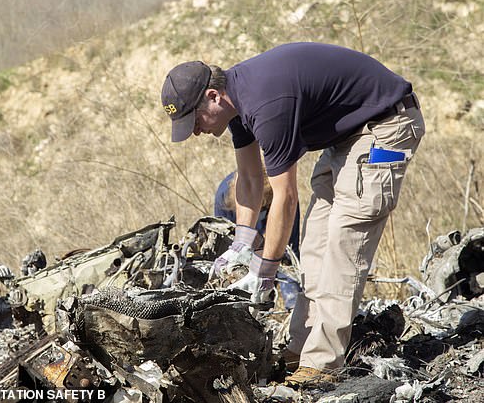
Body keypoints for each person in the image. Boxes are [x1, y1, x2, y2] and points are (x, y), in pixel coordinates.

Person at [160, 42, 425, 385]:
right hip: (347, 138)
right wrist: (242, 242)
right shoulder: (237, 105)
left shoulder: (266, 105)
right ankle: (301, 348)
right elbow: (251, 179)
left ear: (213, 96)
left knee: (344, 244)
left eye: (194, 120)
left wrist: (265, 270)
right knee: (314, 244)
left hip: (386, 126)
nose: (195, 131)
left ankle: (323, 364)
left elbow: (285, 197)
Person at [214, 170, 301, 310]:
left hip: (276, 205)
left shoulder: (285, 197)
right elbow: (225, 243)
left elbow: (289, 252)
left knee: (279, 256)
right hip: (234, 214)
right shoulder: (223, 197)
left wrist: (293, 301)